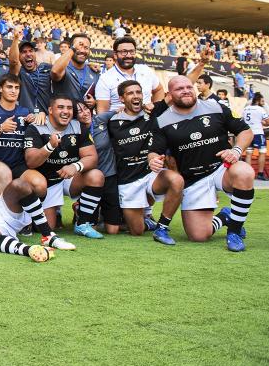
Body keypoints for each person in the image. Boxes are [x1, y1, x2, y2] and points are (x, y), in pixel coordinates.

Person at [150, 76, 255, 252]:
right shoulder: (162, 120)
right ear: (169, 94)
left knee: (245, 172)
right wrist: (152, 160)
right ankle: (225, 216)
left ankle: (234, 231)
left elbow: (245, 131)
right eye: (179, 88)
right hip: (193, 179)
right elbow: (154, 151)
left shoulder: (216, 107)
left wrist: (236, 151)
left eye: (188, 86)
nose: (185, 90)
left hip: (222, 168)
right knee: (199, 236)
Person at [105, 81, 184, 245]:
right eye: (130, 93)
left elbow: (175, 90)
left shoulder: (153, 113)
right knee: (137, 231)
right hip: (128, 180)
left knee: (176, 180)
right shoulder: (112, 122)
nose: (136, 96)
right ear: (121, 98)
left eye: (138, 92)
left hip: (150, 175)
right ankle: (142, 217)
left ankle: (162, 226)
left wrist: (202, 63)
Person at [24, 95, 105, 238]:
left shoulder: (78, 126)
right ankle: (35, 214)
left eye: (69, 108)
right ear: (50, 110)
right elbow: (31, 162)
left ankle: (82, 223)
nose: (66, 111)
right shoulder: (36, 127)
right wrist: (50, 146)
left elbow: (92, 158)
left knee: (96, 175)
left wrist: (75, 166)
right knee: (47, 227)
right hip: (47, 182)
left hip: (69, 178)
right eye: (60, 107)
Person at [0, 73, 33, 179]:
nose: (13, 91)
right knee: (4, 177)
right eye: (9, 87)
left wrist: (35, 119)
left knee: (38, 184)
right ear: (0, 88)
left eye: (17, 88)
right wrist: (1, 128)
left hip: (17, 166)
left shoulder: (25, 112)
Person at [95, 36, 164, 113]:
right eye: (124, 52)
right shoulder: (105, 78)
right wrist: (116, 113)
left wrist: (155, 108)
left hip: (148, 122)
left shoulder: (145, 70)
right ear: (115, 54)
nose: (128, 55)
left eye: (132, 51)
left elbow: (159, 90)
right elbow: (102, 112)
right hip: (121, 123)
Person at [241, 93, 268, 179]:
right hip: (258, 133)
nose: (263, 102)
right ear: (258, 100)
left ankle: (249, 174)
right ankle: (260, 174)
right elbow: (267, 122)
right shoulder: (260, 109)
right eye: (262, 101)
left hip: (248, 132)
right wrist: (263, 122)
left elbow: (242, 120)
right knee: (262, 152)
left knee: (249, 153)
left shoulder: (245, 109)